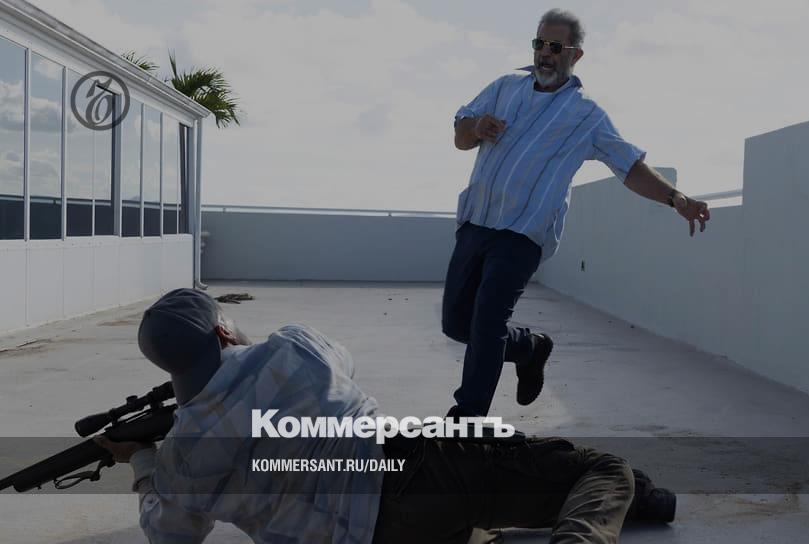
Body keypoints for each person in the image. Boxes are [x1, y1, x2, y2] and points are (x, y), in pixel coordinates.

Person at [95, 289, 675, 544]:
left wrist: (145, 461)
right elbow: (342, 363)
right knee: (602, 469)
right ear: (223, 332)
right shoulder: (290, 348)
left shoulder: (182, 455)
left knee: (495, 516)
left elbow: (169, 534)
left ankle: (648, 501)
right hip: (415, 475)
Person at [442, 9, 712, 418]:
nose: (544, 54)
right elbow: (461, 133)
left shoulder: (586, 116)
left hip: (523, 234)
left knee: (488, 320)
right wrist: (476, 126)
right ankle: (529, 348)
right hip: (476, 223)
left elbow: (629, 166)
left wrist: (676, 198)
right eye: (539, 44)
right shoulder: (503, 87)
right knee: (457, 324)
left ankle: (466, 422)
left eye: (555, 47)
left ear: (575, 55)